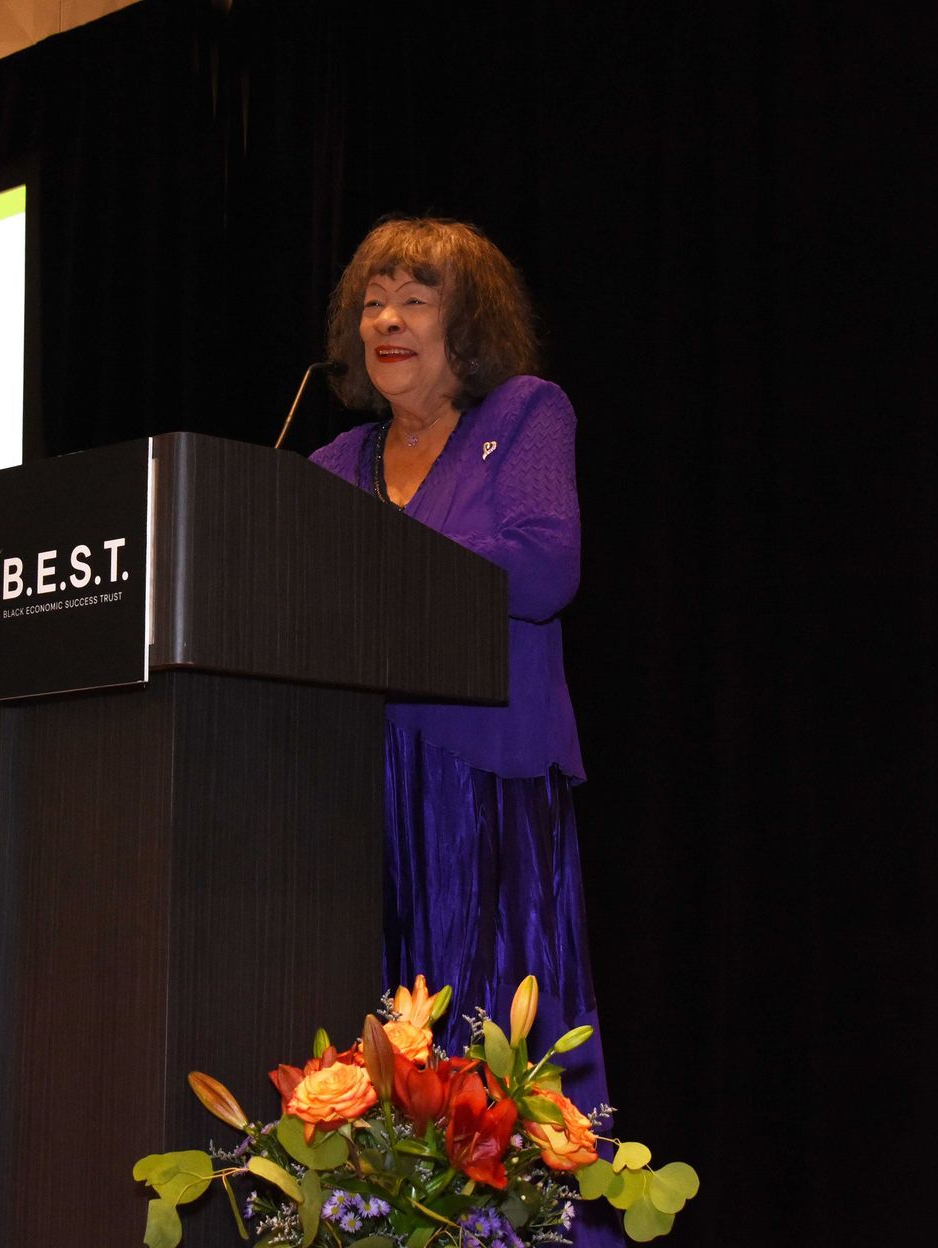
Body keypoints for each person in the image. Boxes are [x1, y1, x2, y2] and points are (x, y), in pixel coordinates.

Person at [309, 216, 616, 1240]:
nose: (386, 320)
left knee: (495, 1053)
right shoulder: (330, 460)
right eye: (371, 302)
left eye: (416, 298)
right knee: (371, 1059)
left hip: (484, 779)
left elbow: (541, 566)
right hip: (354, 794)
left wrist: (372, 573)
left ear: (467, 319)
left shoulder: (525, 416)